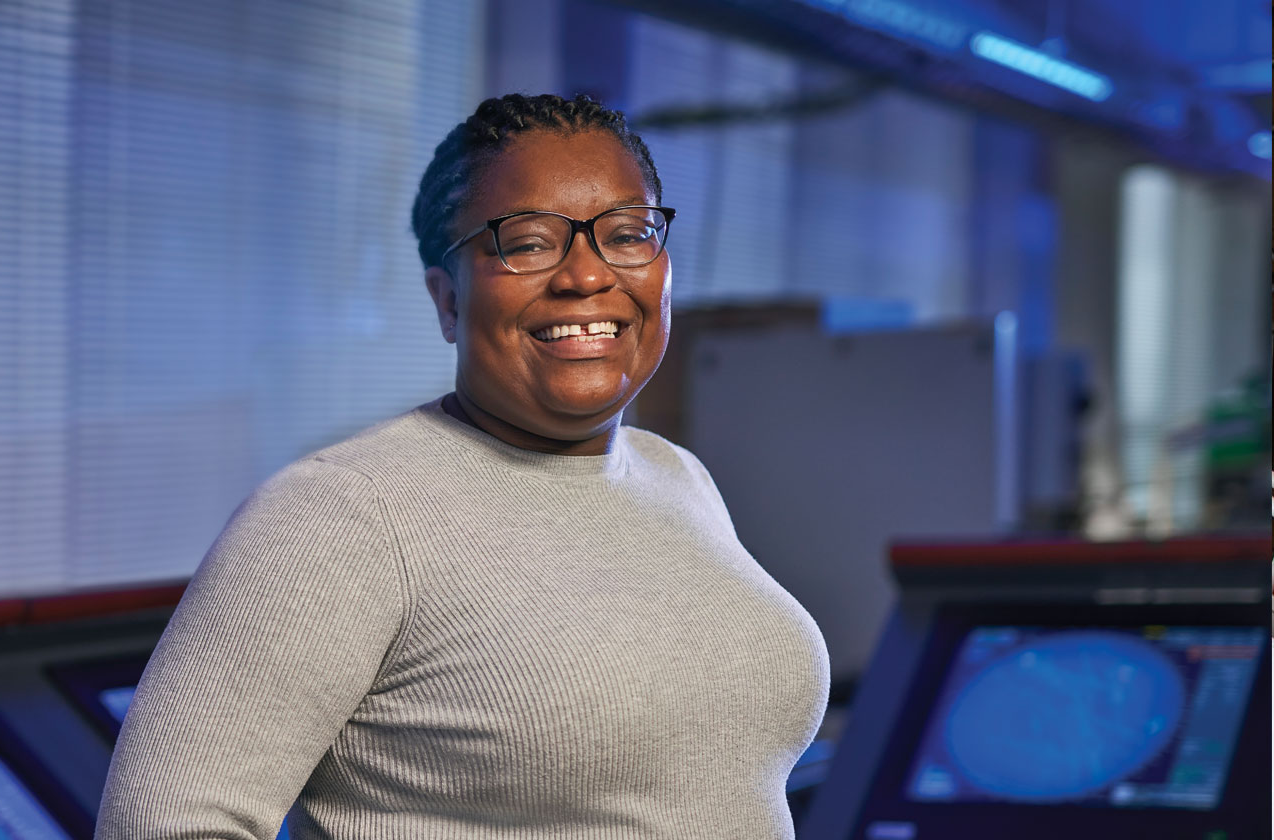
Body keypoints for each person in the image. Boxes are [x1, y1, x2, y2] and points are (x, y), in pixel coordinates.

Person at [96, 93, 828, 840]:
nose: (585, 276)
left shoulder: (676, 477)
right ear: (448, 299)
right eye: (530, 241)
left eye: (627, 233)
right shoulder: (342, 516)